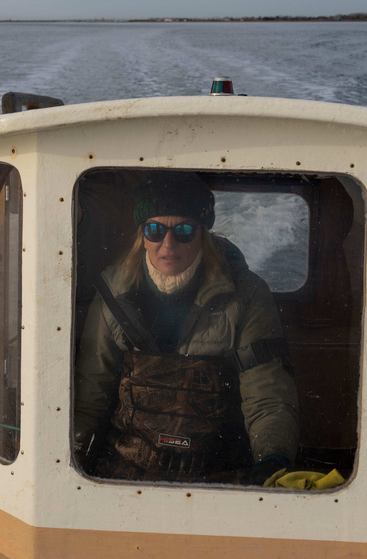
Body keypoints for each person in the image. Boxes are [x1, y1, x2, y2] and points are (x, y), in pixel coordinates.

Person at [74, 171, 299, 485]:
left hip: (218, 467)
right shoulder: (113, 293)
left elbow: (266, 393)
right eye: (154, 230)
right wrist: (70, 452)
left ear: (203, 233)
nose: (168, 244)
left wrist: (271, 459)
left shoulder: (246, 295)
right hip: (126, 466)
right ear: (142, 235)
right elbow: (90, 389)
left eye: (183, 231)